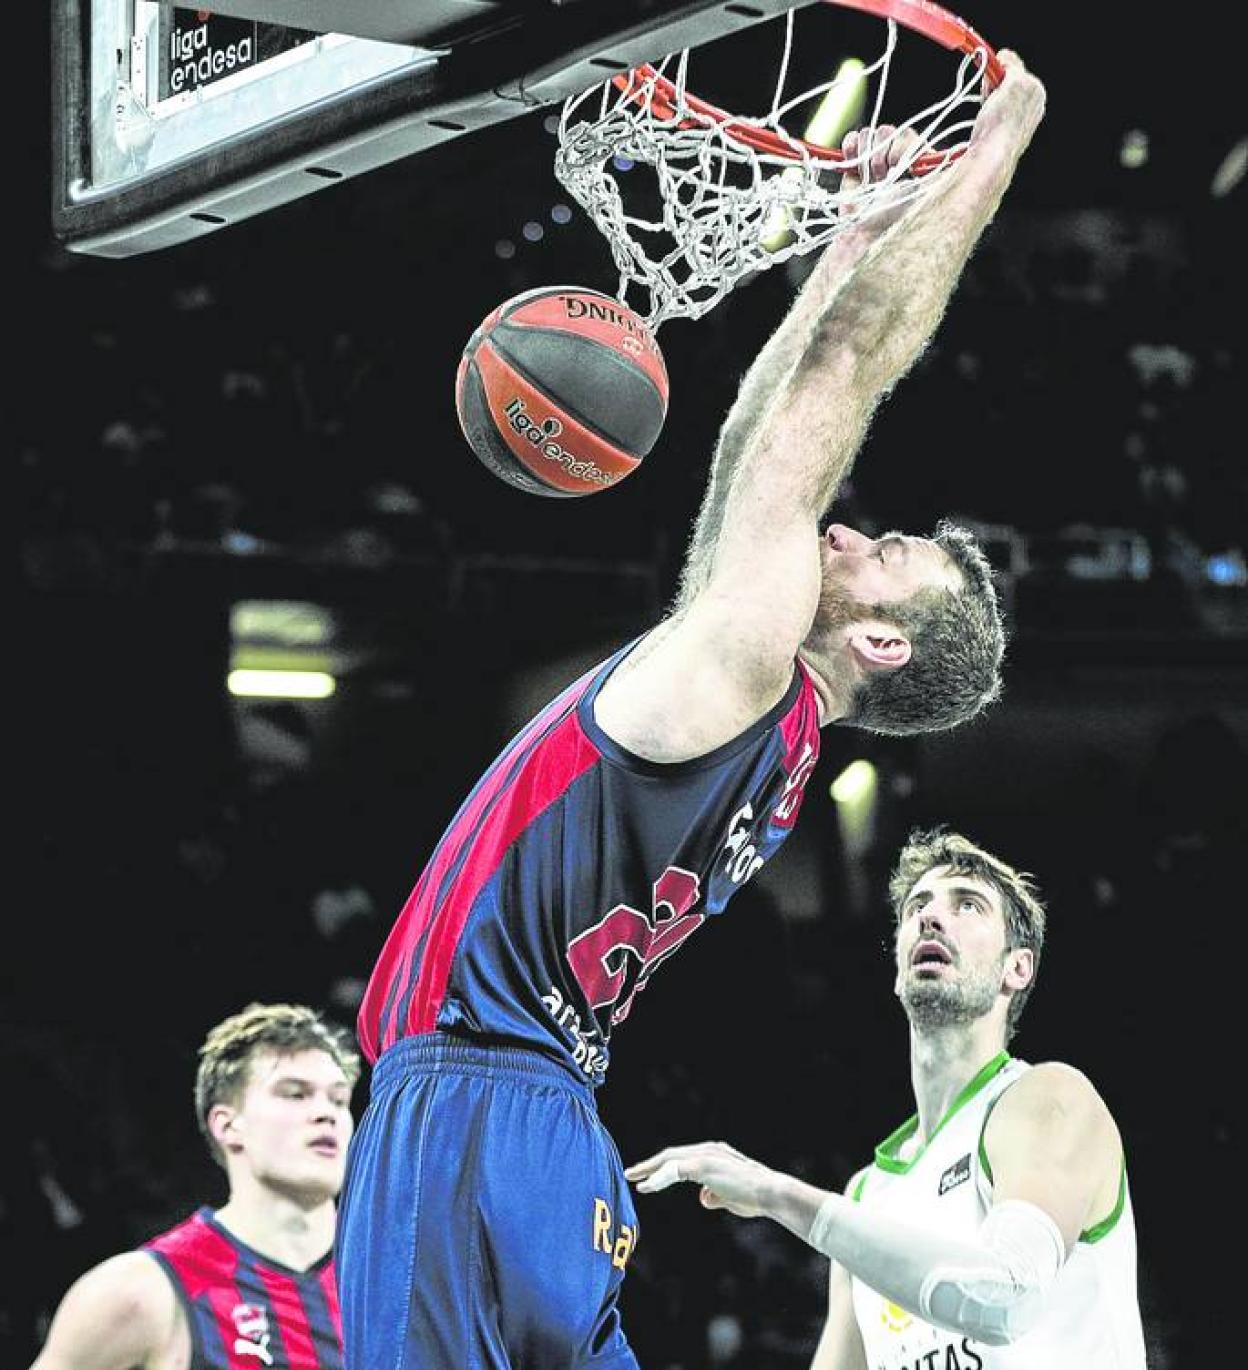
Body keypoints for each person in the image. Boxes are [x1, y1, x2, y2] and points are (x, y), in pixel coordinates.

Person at [338, 51, 1048, 1370]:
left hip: (470, 1103)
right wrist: (836, 258)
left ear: (880, 640)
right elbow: (752, 454)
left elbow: (842, 380)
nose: (855, 529)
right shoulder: (760, 724)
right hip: (554, 1131)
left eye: (886, 549)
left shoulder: (746, 667)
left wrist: (985, 160)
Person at [626, 828, 1147, 1368]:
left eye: (967, 905)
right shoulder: (867, 1195)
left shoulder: (1048, 1098)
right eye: (918, 905)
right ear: (897, 971)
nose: (931, 916)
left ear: (1018, 967)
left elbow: (1006, 1298)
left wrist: (772, 1192)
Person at [30, 1002, 361, 1370]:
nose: (326, 1114)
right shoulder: (142, 1293)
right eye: (295, 1093)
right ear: (227, 1126)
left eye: (339, 1099)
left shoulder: (396, 1284)